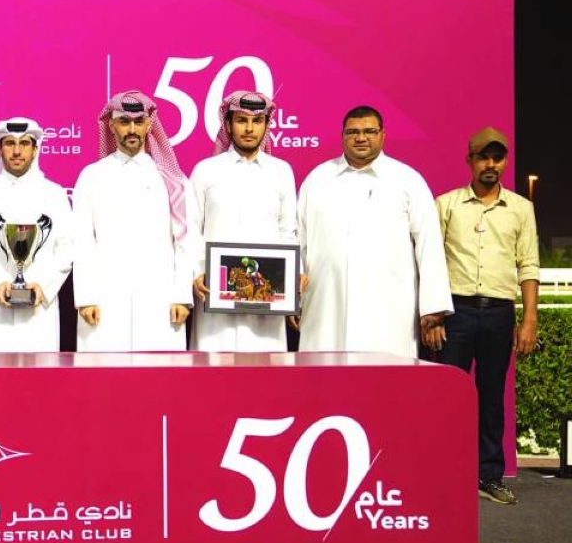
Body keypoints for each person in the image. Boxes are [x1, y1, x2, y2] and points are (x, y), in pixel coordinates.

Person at [432, 127, 539, 505]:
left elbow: (528, 265)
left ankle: (489, 475)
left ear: (504, 161)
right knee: (445, 398)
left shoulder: (520, 209)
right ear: (470, 160)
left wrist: (528, 321)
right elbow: (430, 263)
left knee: (492, 398)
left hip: (498, 315)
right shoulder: (445, 205)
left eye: (497, 157)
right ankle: (442, 473)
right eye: (483, 157)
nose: (490, 164)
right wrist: (433, 316)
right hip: (455, 313)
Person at [297, 106, 452, 357]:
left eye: (369, 131)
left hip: (387, 309)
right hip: (325, 306)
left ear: (383, 135)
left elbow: (429, 244)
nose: (361, 138)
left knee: (386, 385)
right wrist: (295, 298)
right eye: (353, 132)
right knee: (324, 382)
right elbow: (299, 241)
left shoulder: (407, 180)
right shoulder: (317, 179)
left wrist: (433, 307)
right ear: (342, 136)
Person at [73, 91, 197, 351]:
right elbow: (82, 241)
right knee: (103, 379)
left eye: (139, 122)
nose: (132, 129)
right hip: (105, 298)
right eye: (124, 122)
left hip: (160, 299)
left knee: (158, 383)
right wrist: (85, 297)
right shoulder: (92, 176)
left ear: (149, 125)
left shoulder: (173, 180)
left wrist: (181, 296)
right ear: (111, 124)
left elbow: (185, 242)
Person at [189, 91, 299, 351]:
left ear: (266, 125)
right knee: (213, 372)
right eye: (241, 120)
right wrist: (196, 273)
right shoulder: (205, 170)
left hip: (268, 293)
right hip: (215, 291)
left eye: (257, 121)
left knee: (264, 375)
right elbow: (192, 229)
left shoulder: (281, 171)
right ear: (228, 124)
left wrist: (293, 275)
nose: (250, 128)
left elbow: (288, 231)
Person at [0, 118, 73, 352]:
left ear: (35, 149)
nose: (17, 151)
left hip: (38, 313)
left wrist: (41, 285)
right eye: (9, 143)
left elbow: (66, 249)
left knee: (39, 384)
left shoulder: (55, 194)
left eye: (24, 144)